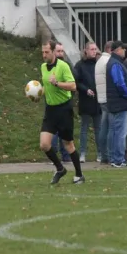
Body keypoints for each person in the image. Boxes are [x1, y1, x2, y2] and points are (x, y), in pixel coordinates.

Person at [39, 40, 85, 185]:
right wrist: (39, 94)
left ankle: (79, 175)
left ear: (53, 52)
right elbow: (47, 87)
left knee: (68, 145)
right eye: (43, 52)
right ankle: (60, 169)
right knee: (44, 145)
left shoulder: (63, 66)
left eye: (47, 52)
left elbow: (73, 86)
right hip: (50, 110)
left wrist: (57, 83)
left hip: (64, 110)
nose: (44, 55)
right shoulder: (43, 67)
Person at [106, 41, 127, 168]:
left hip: (114, 103)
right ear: (118, 50)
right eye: (123, 49)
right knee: (120, 132)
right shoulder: (116, 64)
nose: (125, 51)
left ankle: (114, 158)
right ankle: (118, 159)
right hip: (120, 103)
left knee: (114, 131)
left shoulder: (113, 62)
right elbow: (119, 83)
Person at [74, 42, 101, 163]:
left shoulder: (99, 64)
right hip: (85, 100)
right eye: (91, 49)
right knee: (84, 128)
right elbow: (76, 81)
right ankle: (83, 153)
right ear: (86, 51)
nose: (94, 51)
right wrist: (86, 90)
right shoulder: (80, 65)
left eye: (95, 49)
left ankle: (100, 153)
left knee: (98, 128)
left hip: (97, 100)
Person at [50, 42, 71, 162]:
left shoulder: (66, 66)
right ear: (53, 52)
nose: (60, 53)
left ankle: (66, 156)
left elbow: (73, 82)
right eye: (58, 51)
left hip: (65, 104)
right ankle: (54, 155)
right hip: (53, 104)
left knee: (65, 131)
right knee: (53, 131)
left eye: (62, 51)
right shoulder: (49, 67)